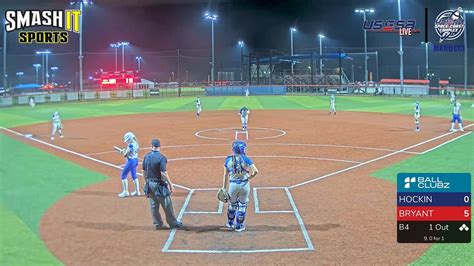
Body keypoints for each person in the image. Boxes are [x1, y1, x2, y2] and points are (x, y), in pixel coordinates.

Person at [142, 139, 184, 230]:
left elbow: (143, 171)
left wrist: (146, 182)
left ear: (151, 146)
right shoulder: (161, 158)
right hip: (159, 185)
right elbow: (163, 173)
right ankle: (172, 223)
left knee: (153, 205)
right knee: (167, 204)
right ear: (159, 147)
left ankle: (158, 224)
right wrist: (170, 184)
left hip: (149, 183)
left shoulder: (146, 156)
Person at [222, 141, 259, 232]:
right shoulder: (246, 159)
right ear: (242, 149)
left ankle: (230, 223)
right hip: (244, 185)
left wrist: (223, 188)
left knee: (232, 205)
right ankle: (239, 226)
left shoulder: (228, 159)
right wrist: (249, 177)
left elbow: (225, 175)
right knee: (242, 205)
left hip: (232, 185)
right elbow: (256, 171)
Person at [117, 132, 140, 197]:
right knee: (134, 176)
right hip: (135, 160)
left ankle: (125, 192)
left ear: (130, 139)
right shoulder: (136, 144)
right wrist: (124, 151)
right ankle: (137, 191)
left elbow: (125, 155)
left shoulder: (130, 145)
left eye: (127, 140)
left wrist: (122, 151)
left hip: (130, 161)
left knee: (123, 175)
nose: (127, 142)